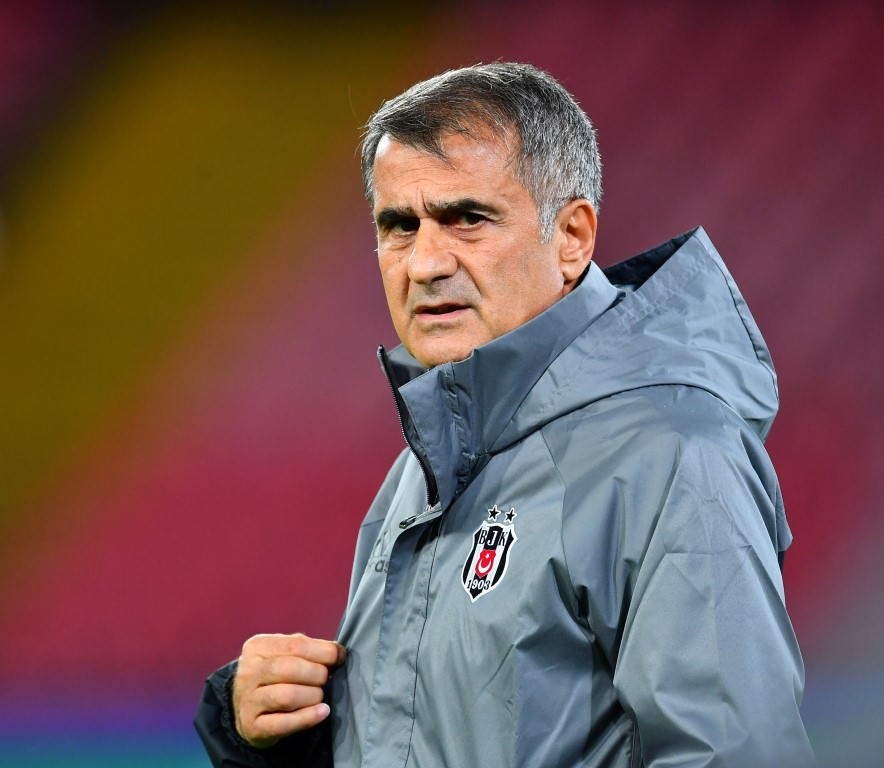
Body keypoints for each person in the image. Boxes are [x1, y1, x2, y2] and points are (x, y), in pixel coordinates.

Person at [194, 62, 815, 767]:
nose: (425, 263)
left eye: (467, 219)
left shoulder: (675, 455)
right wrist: (270, 738)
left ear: (572, 237)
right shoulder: (424, 467)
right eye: (399, 226)